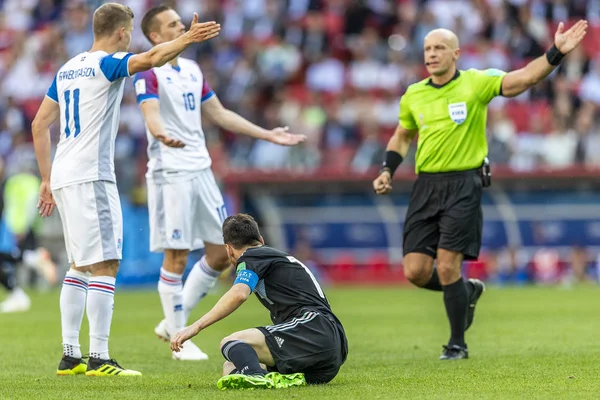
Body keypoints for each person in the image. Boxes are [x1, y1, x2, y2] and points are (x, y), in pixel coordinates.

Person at [372, 22, 588, 360]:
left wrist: (556, 51)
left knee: (446, 266)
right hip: (426, 185)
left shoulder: (475, 83)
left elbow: (526, 77)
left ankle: (457, 343)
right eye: (428, 49)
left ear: (456, 53)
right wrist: (387, 169)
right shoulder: (414, 93)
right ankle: (465, 290)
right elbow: (402, 135)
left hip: (464, 184)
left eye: (439, 48)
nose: (431, 54)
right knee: (415, 271)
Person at [31, 2, 220, 376]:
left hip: (65, 174)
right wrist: (187, 38)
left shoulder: (68, 68)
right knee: (105, 264)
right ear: (122, 33)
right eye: (129, 32)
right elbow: (151, 59)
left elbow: (39, 125)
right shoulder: (107, 63)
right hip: (91, 174)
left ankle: (71, 355)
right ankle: (99, 358)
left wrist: (46, 178)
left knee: (79, 265)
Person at [134, 5, 305, 361]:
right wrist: (161, 134)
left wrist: (267, 135)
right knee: (177, 255)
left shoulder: (193, 70)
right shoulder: (149, 70)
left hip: (201, 168)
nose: (182, 27)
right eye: (172, 25)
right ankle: (178, 338)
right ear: (155, 36)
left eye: (181, 22)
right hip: (171, 171)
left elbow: (219, 114)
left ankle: (172, 321)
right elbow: (149, 113)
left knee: (220, 253)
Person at [170, 213, 348, 390]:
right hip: (326, 358)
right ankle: (271, 377)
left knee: (231, 342)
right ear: (261, 239)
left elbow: (239, 294)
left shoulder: (252, 256)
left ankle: (256, 377)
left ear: (228, 249)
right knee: (230, 367)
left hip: (314, 329)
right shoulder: (270, 256)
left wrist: (196, 326)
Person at [0, 156, 57, 313]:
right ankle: (31, 260)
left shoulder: (15, 183)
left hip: (21, 226)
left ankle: (17, 294)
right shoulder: (11, 183)